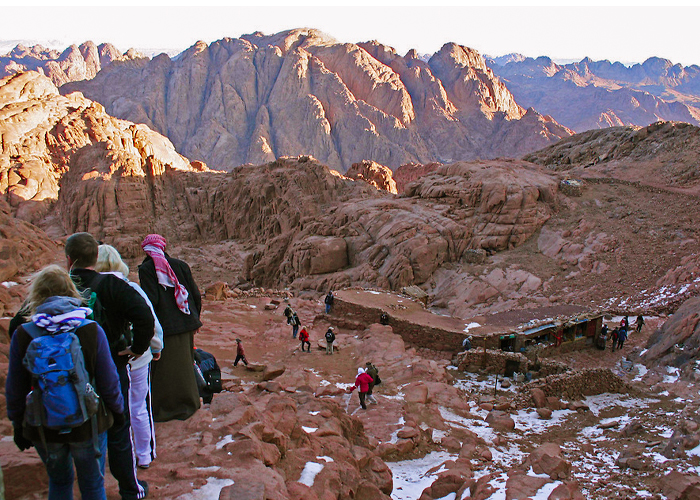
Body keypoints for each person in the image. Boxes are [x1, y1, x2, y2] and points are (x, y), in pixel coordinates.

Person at [6, 265, 124, 500]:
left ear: (36, 295)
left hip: (43, 426)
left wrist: (18, 424)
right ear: (72, 292)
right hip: (88, 423)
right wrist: (118, 413)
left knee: (59, 482)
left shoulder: (24, 333)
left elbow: (15, 388)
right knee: (92, 486)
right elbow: (109, 381)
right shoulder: (91, 329)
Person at [66, 232, 153, 500]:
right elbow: (144, 317)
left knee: (77, 429)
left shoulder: (58, 285)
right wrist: (136, 349)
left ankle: (86, 486)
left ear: (68, 259)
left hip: (68, 375)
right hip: (112, 369)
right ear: (96, 257)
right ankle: (129, 489)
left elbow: (19, 325)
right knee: (118, 427)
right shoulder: (113, 285)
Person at [95, 244, 163, 470]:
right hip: (135, 357)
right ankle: (144, 455)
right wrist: (154, 347)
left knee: (110, 407)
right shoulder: (129, 287)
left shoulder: (87, 289)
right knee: (139, 405)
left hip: (103, 360)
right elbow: (150, 320)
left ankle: (115, 458)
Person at [138, 234, 202, 423]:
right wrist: (195, 320)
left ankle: (164, 410)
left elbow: (151, 301)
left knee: (164, 369)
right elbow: (195, 294)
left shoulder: (147, 269)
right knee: (185, 364)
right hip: (186, 323)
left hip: (165, 327)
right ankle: (190, 404)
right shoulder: (180, 265)